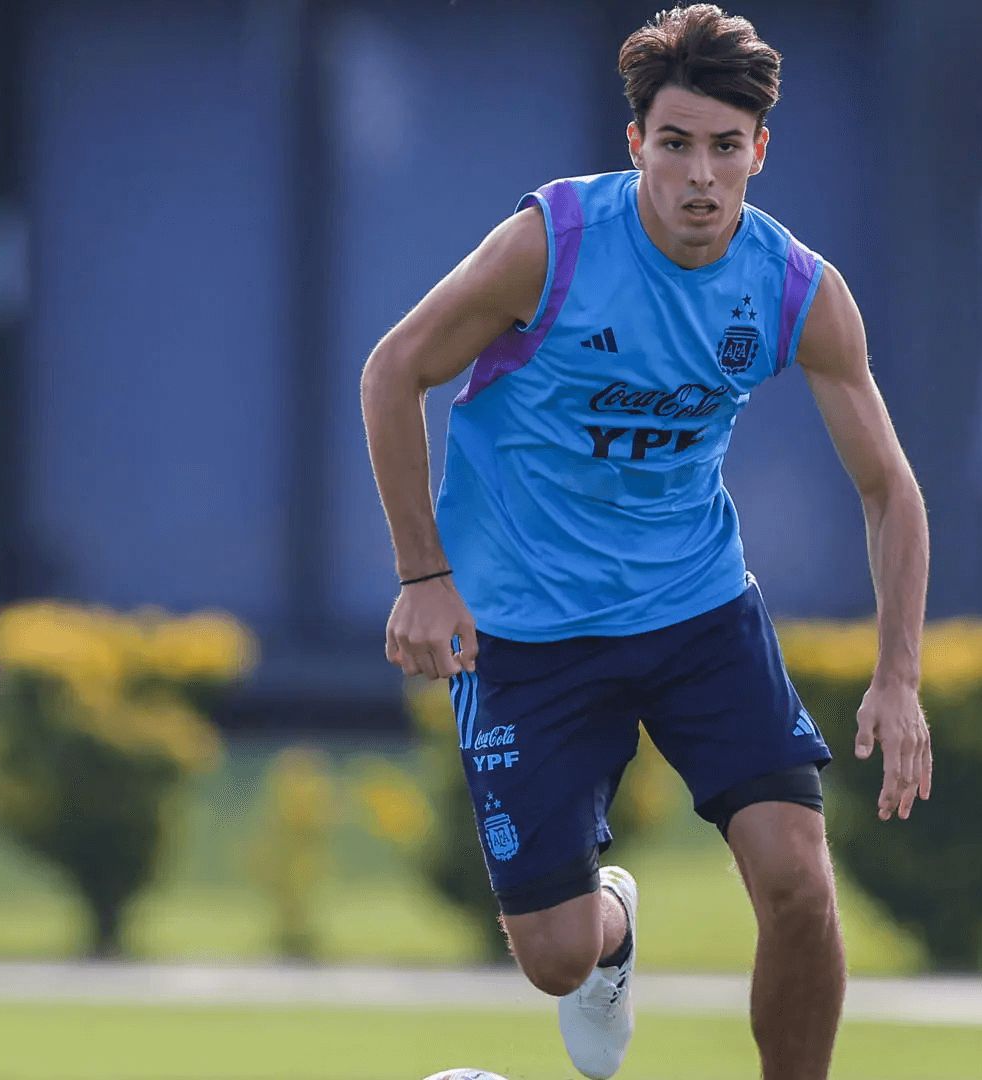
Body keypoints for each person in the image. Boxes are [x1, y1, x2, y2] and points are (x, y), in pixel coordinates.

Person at [359, 5, 930, 1077]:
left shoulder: (796, 289)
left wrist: (897, 676)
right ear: (637, 146)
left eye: (726, 146)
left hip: (696, 609)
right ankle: (610, 929)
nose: (700, 177)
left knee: (800, 881)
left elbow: (890, 489)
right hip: (528, 629)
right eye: (675, 144)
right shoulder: (553, 245)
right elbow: (394, 371)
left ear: (761, 150)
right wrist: (424, 575)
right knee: (556, 958)